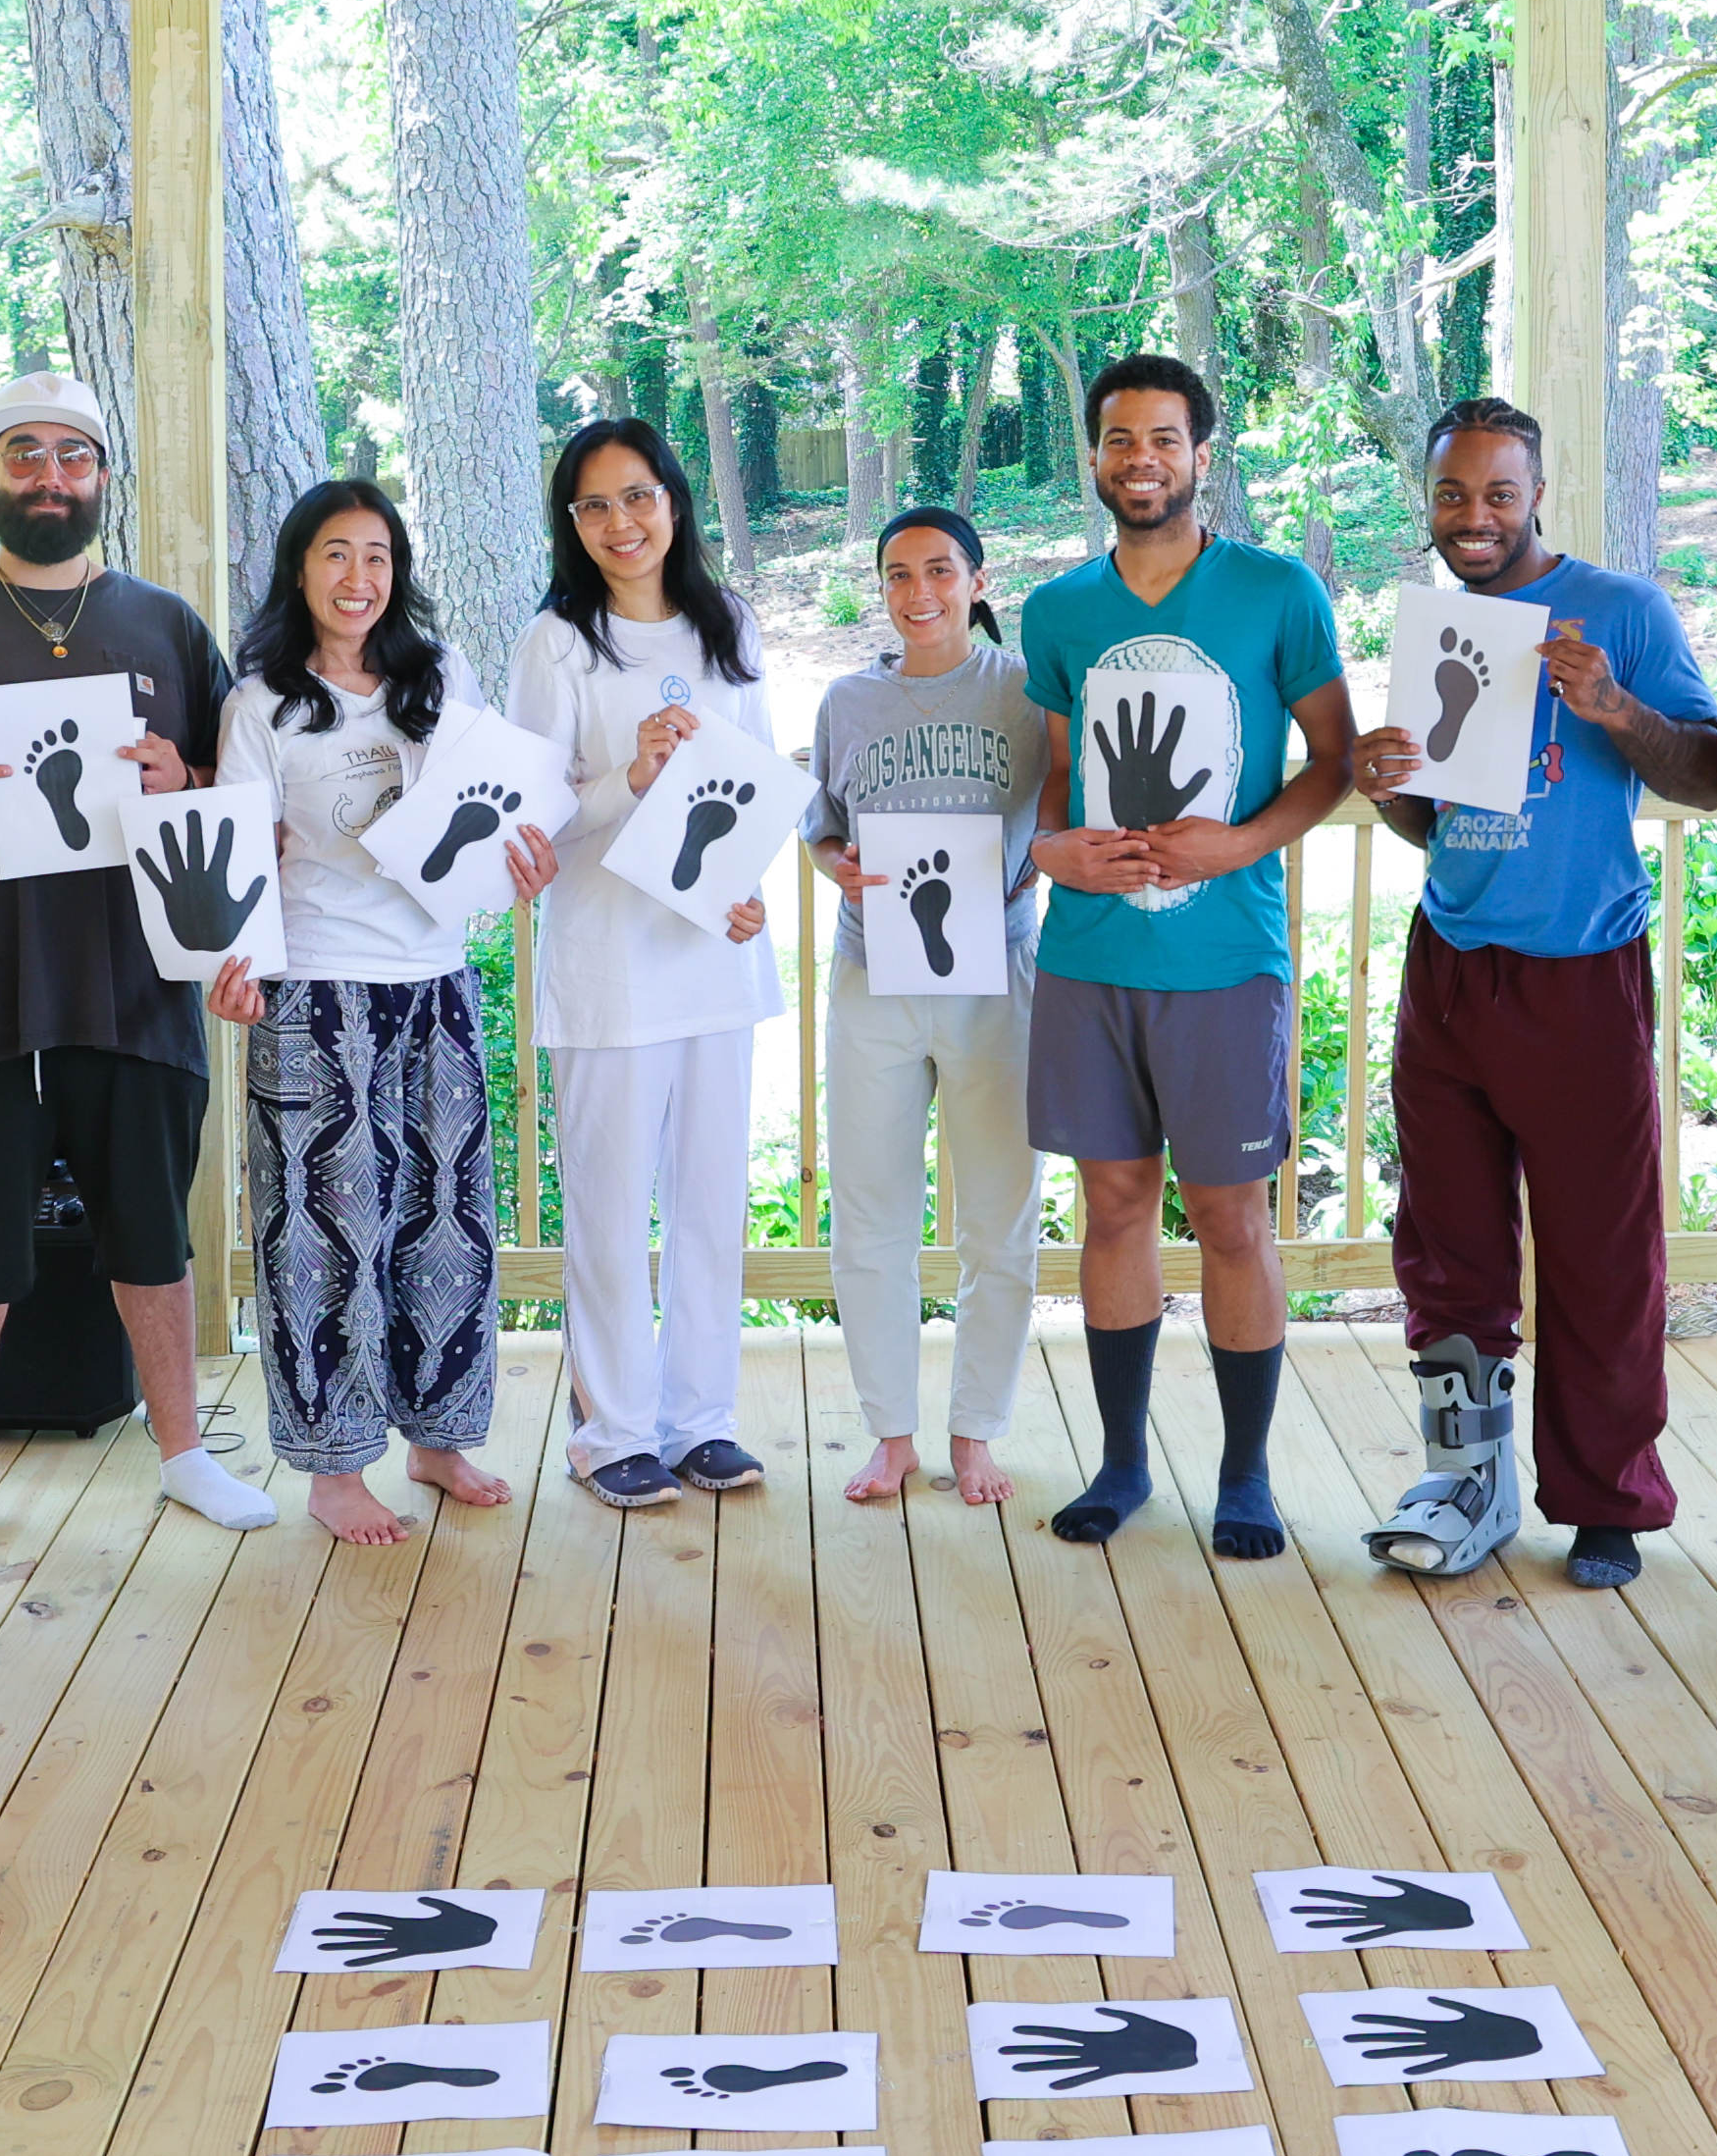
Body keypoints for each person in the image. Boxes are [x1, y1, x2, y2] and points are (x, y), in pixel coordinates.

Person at [0, 376, 267, 1542]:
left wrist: (183, 779)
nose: (49, 477)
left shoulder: (168, 625)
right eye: (23, 456)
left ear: (102, 481)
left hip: (135, 986)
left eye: (73, 457)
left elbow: (239, 796)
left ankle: (183, 1453)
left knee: (151, 1231)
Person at [1348, 399, 1717, 1587]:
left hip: (1581, 969)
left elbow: (1711, 774)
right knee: (1448, 1246)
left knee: (1599, 1251)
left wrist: (1613, 705)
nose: (1475, 518)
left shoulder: (1621, 610)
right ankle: (1468, 1478)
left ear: (1539, 494)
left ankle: (1607, 1497)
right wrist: (1385, 783)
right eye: (1454, 495)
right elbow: (1440, 823)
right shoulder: (1440, 626)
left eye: (1498, 494)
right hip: (1452, 966)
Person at [1021, 353, 1354, 1557]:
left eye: (1165, 438)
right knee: (1111, 1206)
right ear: (1096, 457)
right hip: (1093, 957)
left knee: (1231, 1218)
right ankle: (1120, 1465)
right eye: (1120, 439)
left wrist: (1238, 844)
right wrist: (1054, 851)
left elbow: (1334, 760)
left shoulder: (1276, 592)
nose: (1142, 459)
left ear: (1202, 454)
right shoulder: (1059, 612)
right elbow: (1057, 786)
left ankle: (1246, 1476)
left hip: (1224, 958)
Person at [209, 478, 547, 1542]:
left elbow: (500, 807)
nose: (359, 579)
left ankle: (439, 1438)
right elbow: (240, 854)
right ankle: (334, 1465)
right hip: (314, 987)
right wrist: (236, 965)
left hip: (434, 982)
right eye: (336, 557)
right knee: (321, 1231)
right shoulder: (260, 699)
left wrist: (519, 860)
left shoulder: (439, 677)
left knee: (445, 1222)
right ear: (299, 571)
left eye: (378, 557)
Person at [509, 418, 782, 1511]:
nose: (622, 523)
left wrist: (750, 883)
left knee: (712, 1202)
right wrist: (628, 773)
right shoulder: (559, 645)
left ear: (674, 499)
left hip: (712, 956)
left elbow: (754, 782)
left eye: (639, 496)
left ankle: (700, 1420)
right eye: (595, 506)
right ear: (572, 525)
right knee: (613, 1209)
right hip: (608, 960)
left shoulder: (733, 627)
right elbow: (530, 819)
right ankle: (611, 1429)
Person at [800, 505, 1050, 1508]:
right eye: (898, 575)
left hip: (998, 976)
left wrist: (1036, 869)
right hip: (874, 976)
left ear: (979, 581)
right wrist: (840, 872)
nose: (920, 595)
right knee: (871, 1214)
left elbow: (1073, 804)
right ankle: (891, 1435)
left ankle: (975, 1430)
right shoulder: (847, 702)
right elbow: (823, 830)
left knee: (1000, 1214)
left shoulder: (1028, 692)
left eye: (940, 572)